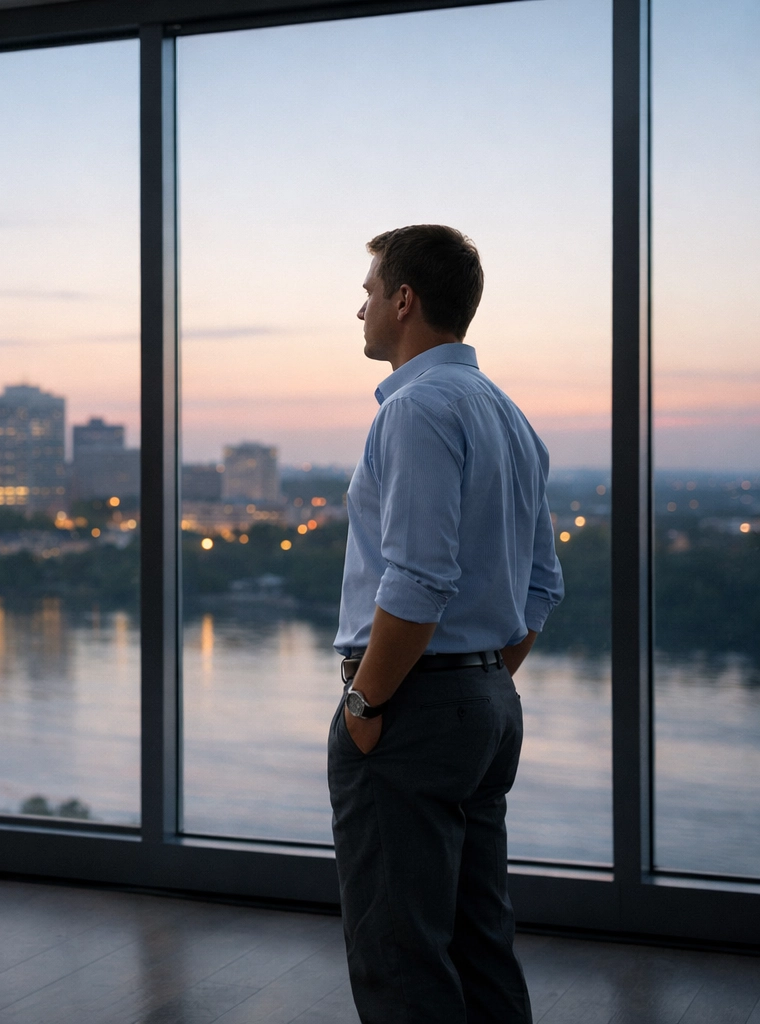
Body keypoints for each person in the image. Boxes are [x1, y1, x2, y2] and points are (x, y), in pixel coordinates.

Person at [328, 224, 563, 1022]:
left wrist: (366, 703)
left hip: (412, 709)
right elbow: (541, 587)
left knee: (400, 957)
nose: (359, 309)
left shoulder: (416, 410)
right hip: (484, 705)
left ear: (404, 300)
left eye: (367, 293)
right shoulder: (509, 416)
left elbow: (418, 580)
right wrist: (482, 681)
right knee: (478, 942)